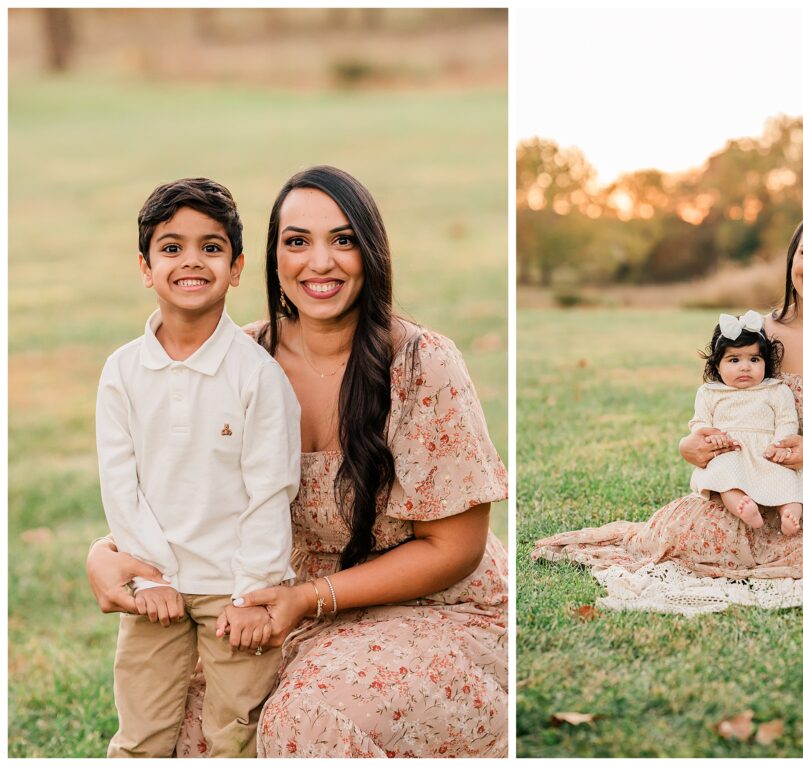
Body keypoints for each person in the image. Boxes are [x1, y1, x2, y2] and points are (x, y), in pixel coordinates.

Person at [88, 166, 508, 758]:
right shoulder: (239, 359)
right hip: (259, 599)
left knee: (304, 725)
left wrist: (309, 599)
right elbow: (181, 483)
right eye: (296, 241)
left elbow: (454, 547)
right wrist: (105, 553)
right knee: (181, 736)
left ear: (372, 252)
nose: (320, 262)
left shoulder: (420, 364)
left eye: (343, 240)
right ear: (267, 259)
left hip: (414, 607)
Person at [534, 208, 803, 581]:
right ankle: (763, 554)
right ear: (792, 259)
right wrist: (690, 445)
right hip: (762, 489)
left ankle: (783, 559)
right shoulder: (754, 337)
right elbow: (718, 414)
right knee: (692, 532)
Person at [96, 178, 300, 757]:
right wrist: (148, 575)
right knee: (143, 733)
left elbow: (271, 490)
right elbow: (120, 482)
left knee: (233, 734)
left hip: (232, 593)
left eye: (211, 248)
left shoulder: (257, 375)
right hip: (153, 591)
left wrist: (252, 590)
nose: (191, 261)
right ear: (145, 266)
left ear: (236, 268)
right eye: (171, 247)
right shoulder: (122, 372)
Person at [689, 310, 803, 536]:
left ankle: (789, 514)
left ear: (766, 363)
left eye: (754, 359)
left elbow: (787, 421)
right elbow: (699, 423)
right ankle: (744, 507)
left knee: (788, 479)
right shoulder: (710, 393)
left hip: (768, 451)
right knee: (724, 475)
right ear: (717, 366)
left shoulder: (775, 390)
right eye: (734, 360)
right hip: (731, 450)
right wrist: (711, 435)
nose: (745, 367)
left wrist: (779, 445)